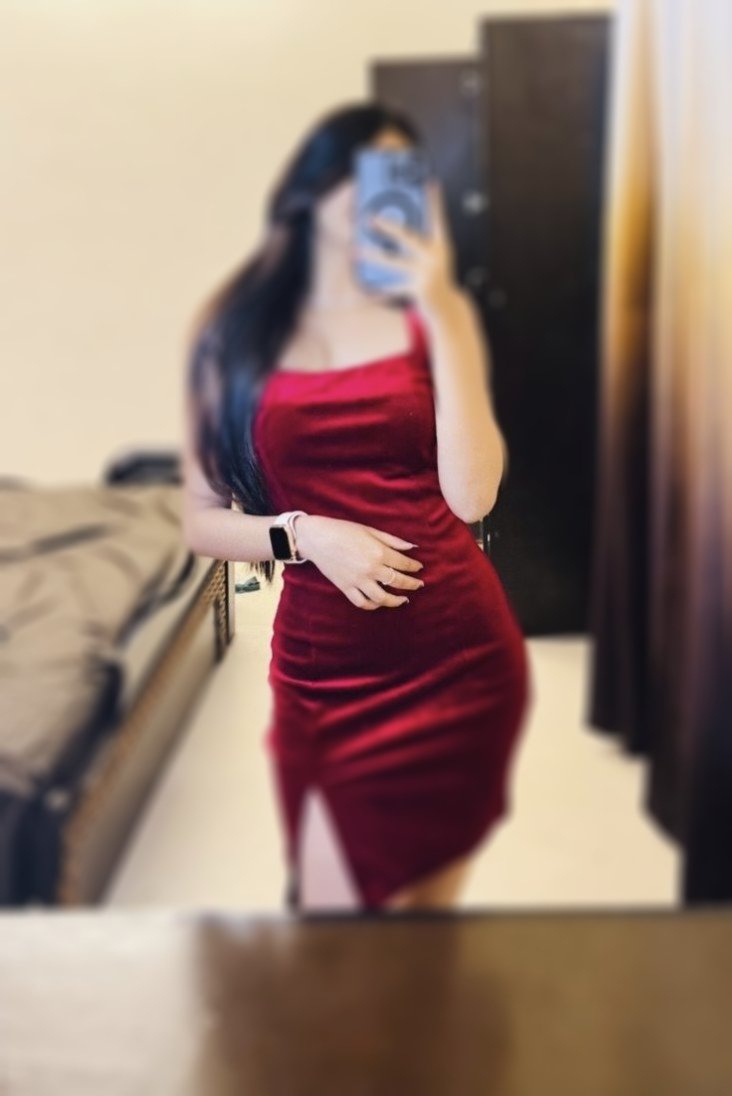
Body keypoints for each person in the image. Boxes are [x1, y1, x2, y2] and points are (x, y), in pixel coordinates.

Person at [182, 100, 532, 913]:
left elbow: (474, 495)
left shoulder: (435, 324)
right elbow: (201, 520)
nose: (376, 193)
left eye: (396, 175)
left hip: (459, 653)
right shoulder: (232, 334)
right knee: (334, 913)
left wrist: (444, 308)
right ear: (309, 188)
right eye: (357, 170)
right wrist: (305, 536)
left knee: (421, 917)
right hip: (324, 669)